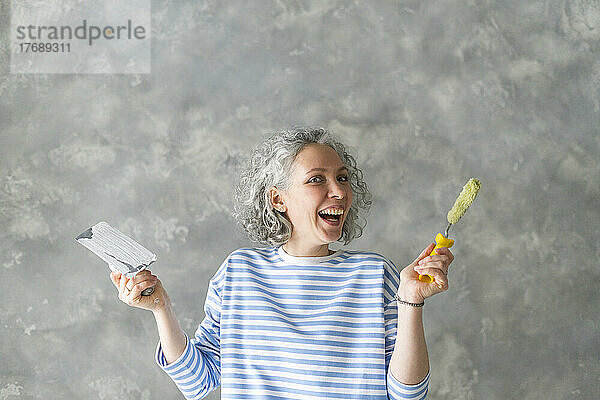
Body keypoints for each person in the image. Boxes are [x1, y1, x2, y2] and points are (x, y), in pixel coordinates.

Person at [110, 126, 454, 400]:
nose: (338, 191)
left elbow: (408, 394)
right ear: (278, 198)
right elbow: (197, 382)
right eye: (317, 179)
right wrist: (161, 307)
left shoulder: (376, 275)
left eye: (343, 177)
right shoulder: (238, 274)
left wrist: (411, 301)